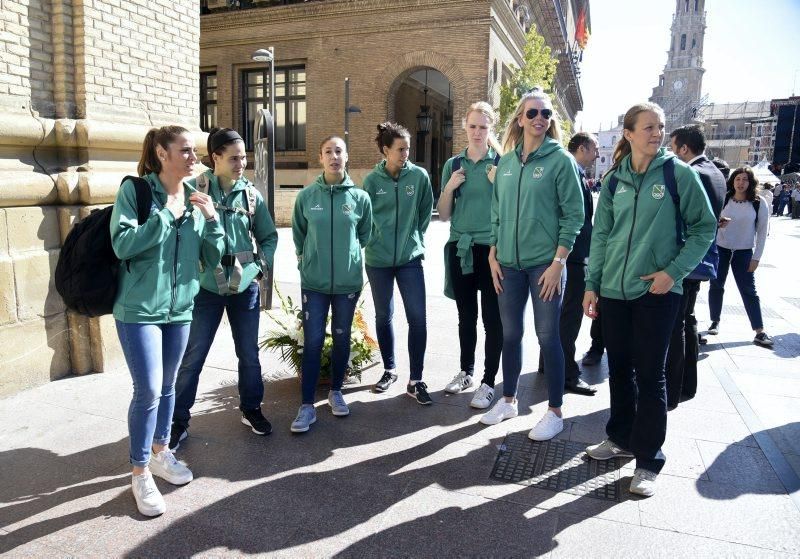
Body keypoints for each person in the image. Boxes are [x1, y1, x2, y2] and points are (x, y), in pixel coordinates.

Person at [583, 103, 716, 497]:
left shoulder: (678, 174)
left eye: (660, 126)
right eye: (648, 127)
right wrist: (593, 284)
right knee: (620, 369)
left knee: (652, 375)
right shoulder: (613, 181)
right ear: (628, 133)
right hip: (614, 291)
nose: (657, 133)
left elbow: (704, 227)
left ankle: (648, 460)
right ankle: (620, 437)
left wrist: (672, 273)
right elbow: (602, 236)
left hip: (657, 293)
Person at [110, 125, 224, 516]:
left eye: (196, 152)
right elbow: (122, 242)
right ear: (162, 153)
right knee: (148, 390)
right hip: (139, 309)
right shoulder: (136, 191)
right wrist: (166, 216)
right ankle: (140, 471)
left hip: (180, 310)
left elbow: (213, 257)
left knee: (169, 384)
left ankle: (162, 451)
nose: (196, 158)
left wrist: (210, 219)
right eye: (187, 151)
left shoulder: (196, 197)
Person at [481, 88, 584, 442]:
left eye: (546, 114)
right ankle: (508, 399)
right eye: (532, 113)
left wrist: (559, 262)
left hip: (545, 264)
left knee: (547, 336)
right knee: (510, 334)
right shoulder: (506, 163)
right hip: (508, 264)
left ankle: (554, 411)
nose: (540, 119)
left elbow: (574, 215)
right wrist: (493, 251)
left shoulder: (561, 161)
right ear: (520, 119)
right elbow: (496, 212)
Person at [170, 128, 278, 450]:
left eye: (244, 157)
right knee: (193, 357)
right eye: (234, 158)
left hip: (244, 290)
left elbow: (269, 237)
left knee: (249, 355)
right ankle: (178, 421)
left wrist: (259, 267)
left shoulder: (251, 195)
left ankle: (251, 409)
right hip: (206, 292)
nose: (241, 163)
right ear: (215, 157)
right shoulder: (193, 190)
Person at [290, 136, 372, 432]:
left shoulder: (360, 198)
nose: (334, 156)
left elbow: (364, 234)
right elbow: (299, 233)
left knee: (341, 337)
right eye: (328, 152)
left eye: (339, 151)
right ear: (320, 157)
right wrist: (306, 258)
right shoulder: (307, 197)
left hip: (347, 284)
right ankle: (307, 406)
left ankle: (336, 392)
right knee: (312, 342)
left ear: (346, 156)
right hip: (314, 282)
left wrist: (349, 258)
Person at [437, 102, 504, 409]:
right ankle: (466, 371)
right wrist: (449, 187)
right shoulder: (453, 165)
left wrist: (498, 184)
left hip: (493, 252)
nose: (478, 132)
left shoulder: (503, 164)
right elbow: (445, 215)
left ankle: (488, 382)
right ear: (465, 126)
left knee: (493, 319)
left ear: (492, 129)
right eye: (473, 126)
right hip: (461, 250)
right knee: (467, 317)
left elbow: (511, 211)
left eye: (484, 127)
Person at [363, 122, 434, 404]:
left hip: (409, 259)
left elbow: (424, 212)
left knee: (418, 318)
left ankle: (416, 379)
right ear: (385, 151)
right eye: (400, 149)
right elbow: (365, 217)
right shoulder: (372, 181)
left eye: (408, 149)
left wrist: (413, 238)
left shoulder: (419, 177)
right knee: (384, 315)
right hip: (378, 260)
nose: (406, 154)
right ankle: (389, 369)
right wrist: (373, 242)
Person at [665, 124, 726, 409]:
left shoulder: (693, 173)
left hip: (686, 259)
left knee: (676, 324)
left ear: (684, 149)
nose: (671, 153)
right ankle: (687, 384)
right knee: (687, 320)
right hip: (700, 260)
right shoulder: (715, 172)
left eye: (673, 147)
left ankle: (672, 390)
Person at [538, 132, 600, 396]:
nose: (597, 153)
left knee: (558, 316)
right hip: (572, 258)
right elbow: (575, 217)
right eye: (595, 148)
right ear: (583, 148)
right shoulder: (571, 169)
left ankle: (548, 364)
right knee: (569, 317)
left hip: (566, 256)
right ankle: (566, 374)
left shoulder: (568, 168)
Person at [706, 166, 772, 347]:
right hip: (721, 249)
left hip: (744, 252)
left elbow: (762, 231)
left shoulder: (759, 203)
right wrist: (718, 225)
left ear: (750, 183)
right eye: (738, 179)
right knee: (716, 285)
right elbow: (710, 222)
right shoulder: (724, 199)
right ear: (732, 181)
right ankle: (715, 321)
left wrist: (756, 258)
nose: (741, 183)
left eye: (745, 180)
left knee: (749, 290)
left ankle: (759, 331)